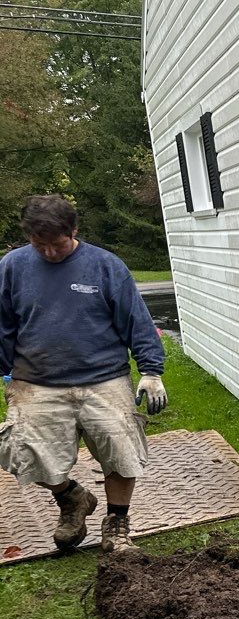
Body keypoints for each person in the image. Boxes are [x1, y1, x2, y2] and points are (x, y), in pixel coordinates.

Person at [0, 195, 168, 553]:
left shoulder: (105, 266)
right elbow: (4, 325)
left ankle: (117, 525)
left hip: (104, 378)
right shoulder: (12, 266)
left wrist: (151, 371)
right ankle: (72, 499)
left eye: (57, 244)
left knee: (121, 452)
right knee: (25, 455)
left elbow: (136, 321)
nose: (48, 253)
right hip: (35, 381)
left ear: (74, 230)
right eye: (38, 244)